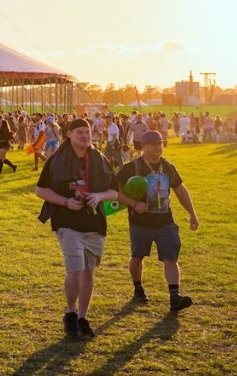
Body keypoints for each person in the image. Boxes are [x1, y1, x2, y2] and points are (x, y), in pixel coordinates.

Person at [35, 118, 118, 339]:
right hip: (67, 222)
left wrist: (99, 196)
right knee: (75, 270)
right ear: (69, 134)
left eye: (87, 132)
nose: (85, 136)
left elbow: (114, 192)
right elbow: (41, 190)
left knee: (88, 272)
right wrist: (65, 202)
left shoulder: (99, 159)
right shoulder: (57, 161)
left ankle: (82, 317)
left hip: (93, 223)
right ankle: (70, 314)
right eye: (80, 132)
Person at [114, 130, 198, 312]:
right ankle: (138, 287)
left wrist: (192, 213)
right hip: (140, 223)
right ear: (143, 146)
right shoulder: (133, 167)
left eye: (160, 143)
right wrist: (134, 203)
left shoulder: (168, 166)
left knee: (171, 258)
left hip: (165, 222)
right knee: (137, 257)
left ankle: (175, 296)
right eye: (153, 144)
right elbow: (114, 189)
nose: (157, 147)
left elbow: (180, 190)